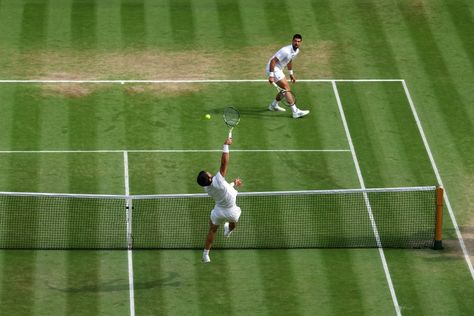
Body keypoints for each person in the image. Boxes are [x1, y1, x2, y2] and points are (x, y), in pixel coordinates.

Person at [196, 137, 242, 263]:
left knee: (212, 230)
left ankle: (206, 254)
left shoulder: (207, 188)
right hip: (231, 210)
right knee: (233, 223)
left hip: (219, 211)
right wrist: (226, 145)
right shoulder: (218, 180)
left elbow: (224, 189)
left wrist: (233, 183)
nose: (209, 172)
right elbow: (224, 164)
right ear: (210, 178)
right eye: (208, 173)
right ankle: (228, 231)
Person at [266, 33, 310, 119]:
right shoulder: (285, 50)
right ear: (292, 41)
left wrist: (291, 74)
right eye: (295, 41)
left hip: (279, 69)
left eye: (298, 41)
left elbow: (289, 61)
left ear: (301, 42)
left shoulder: (296, 51)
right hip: (273, 69)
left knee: (284, 89)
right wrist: (271, 75)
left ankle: (273, 105)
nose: (296, 43)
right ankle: (295, 111)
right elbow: (273, 61)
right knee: (286, 89)